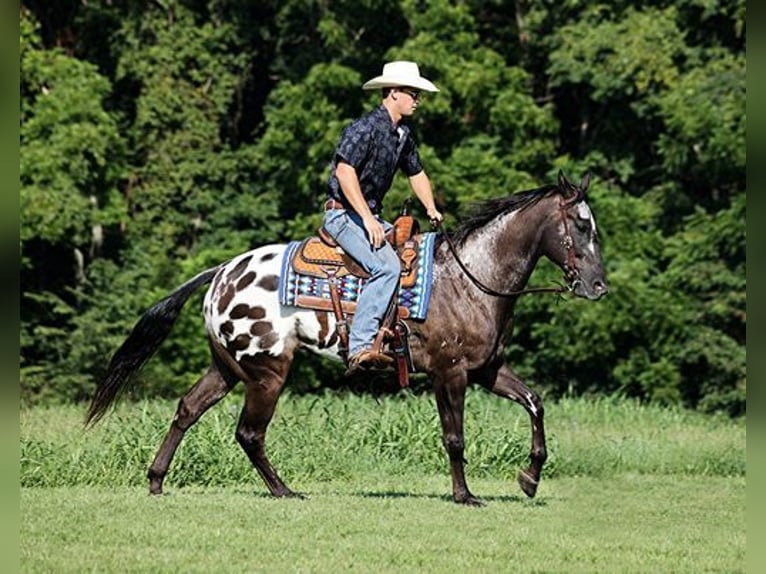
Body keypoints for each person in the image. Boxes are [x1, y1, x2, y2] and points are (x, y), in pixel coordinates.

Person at [323, 60, 444, 374]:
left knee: (416, 254)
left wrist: (431, 208)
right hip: (343, 216)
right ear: (393, 93)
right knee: (388, 266)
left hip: (367, 216)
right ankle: (361, 346)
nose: (417, 100)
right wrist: (368, 219)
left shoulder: (402, 134)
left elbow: (416, 173)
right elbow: (344, 171)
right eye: (412, 93)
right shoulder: (364, 128)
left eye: (418, 94)